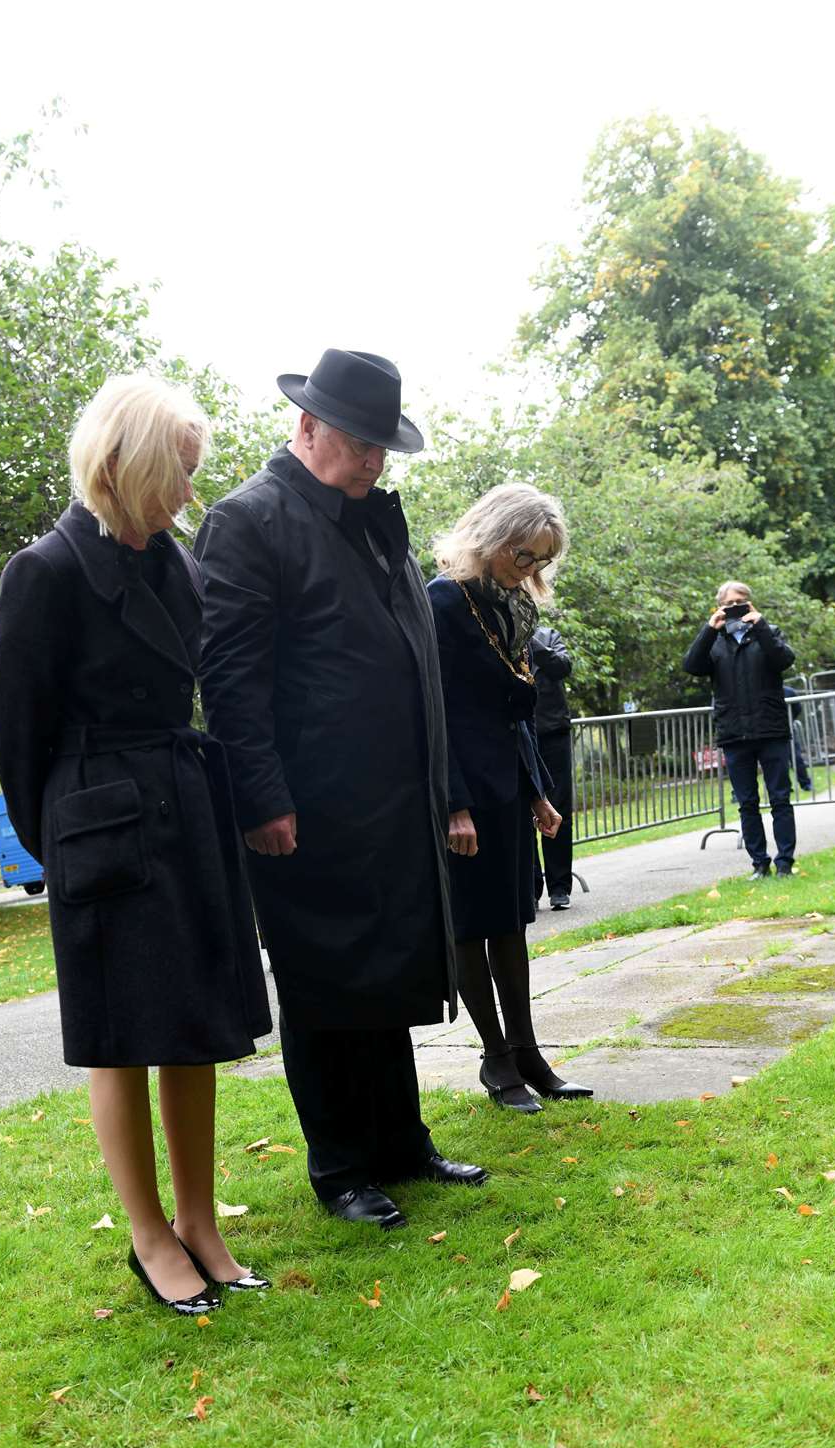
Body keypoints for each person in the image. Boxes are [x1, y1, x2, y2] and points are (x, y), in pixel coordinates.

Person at [0, 374, 272, 1316]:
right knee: (121, 1038)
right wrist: (63, 846)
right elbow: (16, 735)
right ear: (129, 464)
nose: (190, 492)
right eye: (178, 472)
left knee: (194, 1027)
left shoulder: (175, 565)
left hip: (180, 807)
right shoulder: (47, 572)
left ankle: (200, 1222)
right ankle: (149, 1235)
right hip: (100, 822)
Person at [195, 349, 485, 1229]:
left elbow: (418, 667)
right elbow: (231, 677)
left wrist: (443, 788)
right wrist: (264, 798)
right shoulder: (248, 521)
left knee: (385, 965)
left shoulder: (370, 518)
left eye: (382, 445)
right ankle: (340, 1165)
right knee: (323, 980)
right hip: (307, 803)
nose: (373, 460)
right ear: (308, 426)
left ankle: (399, 1138)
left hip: (390, 799)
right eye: (360, 442)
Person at [428, 485, 594, 1111]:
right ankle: (495, 1059)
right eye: (525, 556)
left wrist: (536, 793)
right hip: (462, 792)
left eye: (542, 561)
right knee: (472, 927)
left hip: (504, 784)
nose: (531, 571)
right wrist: (452, 802)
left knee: (510, 925)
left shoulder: (509, 603)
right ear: (494, 536)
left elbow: (513, 712)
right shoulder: (445, 600)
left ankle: (527, 1052)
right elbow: (434, 710)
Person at [682, 580, 797, 878]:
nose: (736, 608)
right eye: (729, 603)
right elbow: (692, 665)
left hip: (770, 730)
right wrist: (710, 628)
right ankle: (760, 863)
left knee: (780, 798)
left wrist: (761, 624)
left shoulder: (767, 633)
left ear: (750, 603)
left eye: (741, 601)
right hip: (734, 734)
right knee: (747, 803)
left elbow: (784, 659)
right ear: (720, 605)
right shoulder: (715, 641)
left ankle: (785, 862)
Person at [530, 623, 575, 909]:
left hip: (553, 732)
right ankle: (530, 888)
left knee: (558, 808)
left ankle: (560, 887)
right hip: (518, 734)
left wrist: (533, 643)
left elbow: (562, 666)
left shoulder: (547, 636)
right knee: (522, 812)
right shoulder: (495, 633)